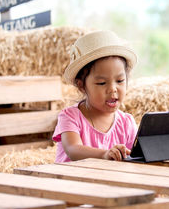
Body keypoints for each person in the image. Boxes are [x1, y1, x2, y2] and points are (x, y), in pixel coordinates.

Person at [52, 31, 138, 162]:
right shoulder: (70, 117)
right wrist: (104, 154)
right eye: (102, 83)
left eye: (120, 81)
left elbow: (135, 156)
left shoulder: (127, 123)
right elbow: (73, 149)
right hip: (71, 181)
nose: (113, 89)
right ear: (82, 86)